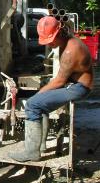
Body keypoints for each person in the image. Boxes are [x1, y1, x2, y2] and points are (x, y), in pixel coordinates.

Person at [10, 15, 94, 162]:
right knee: (40, 104)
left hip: (79, 88)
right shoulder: (67, 42)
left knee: (32, 104)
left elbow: (59, 81)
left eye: (50, 40)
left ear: (59, 33)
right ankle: (40, 147)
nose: (49, 44)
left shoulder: (70, 51)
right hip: (74, 83)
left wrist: (38, 94)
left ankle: (31, 152)